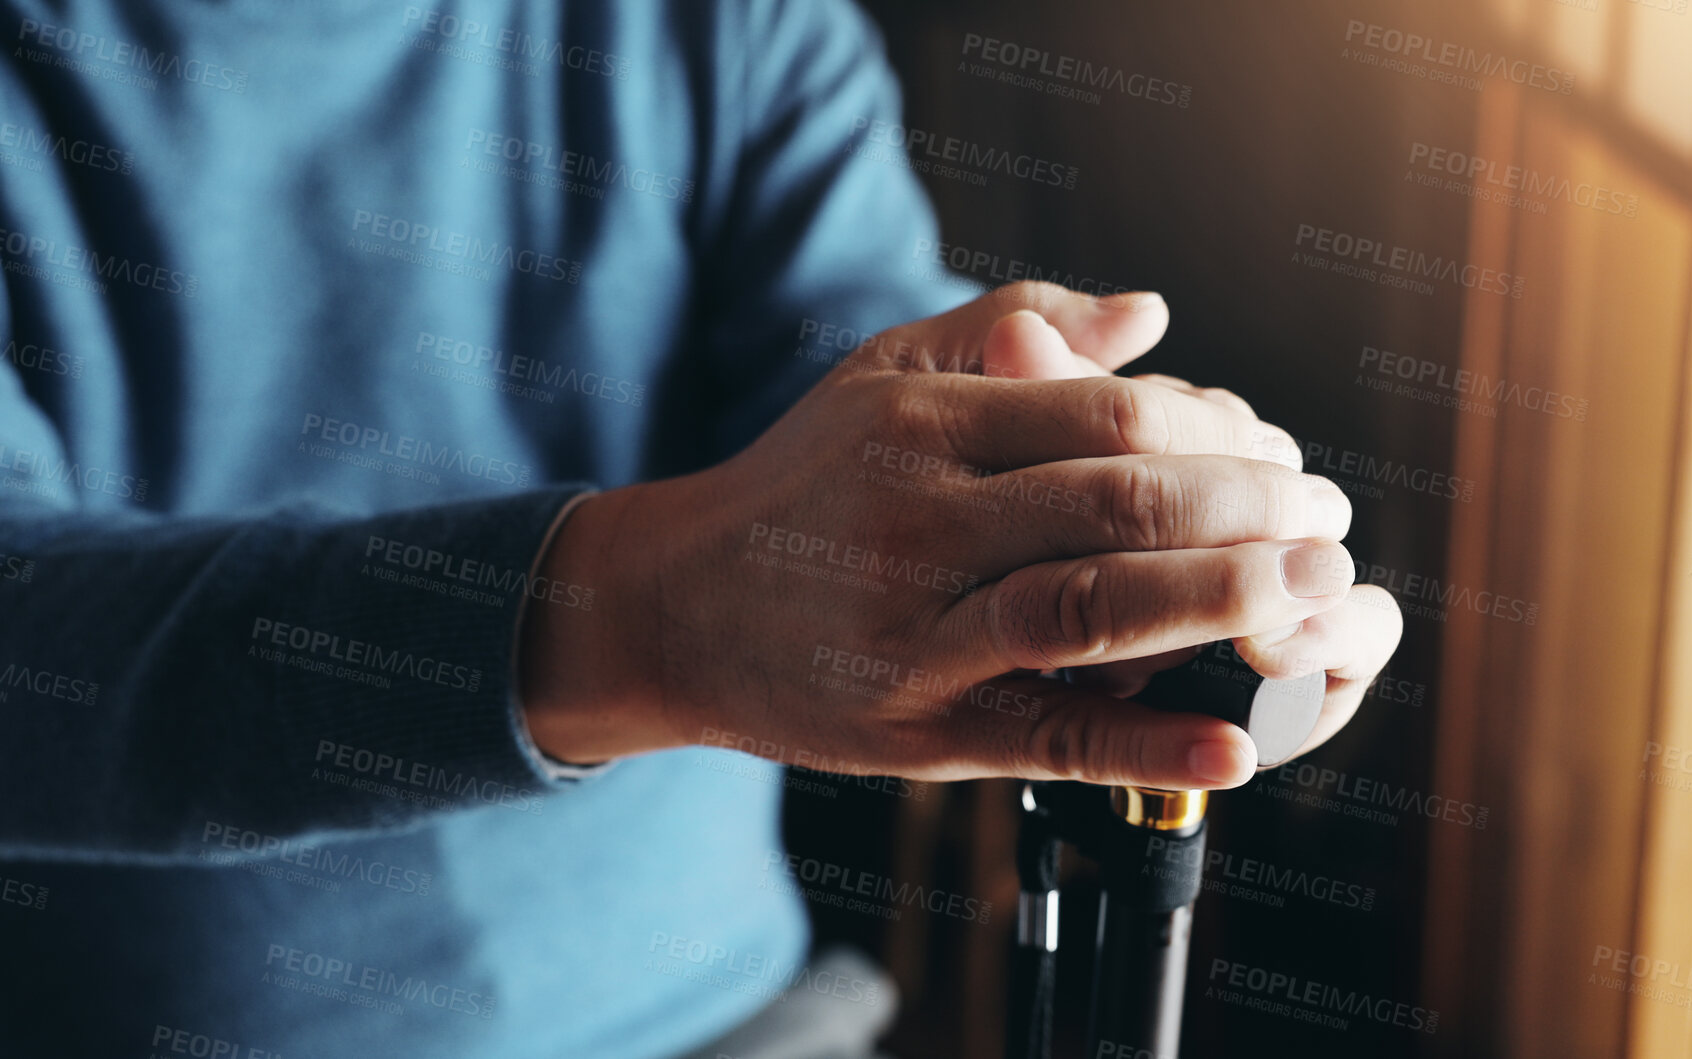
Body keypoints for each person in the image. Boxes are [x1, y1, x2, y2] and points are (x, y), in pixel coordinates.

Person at [0, 0, 1401, 1055]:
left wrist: (1078, 535)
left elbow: (869, 396)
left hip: (737, 1024)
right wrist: (641, 618)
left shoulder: (719, 26)